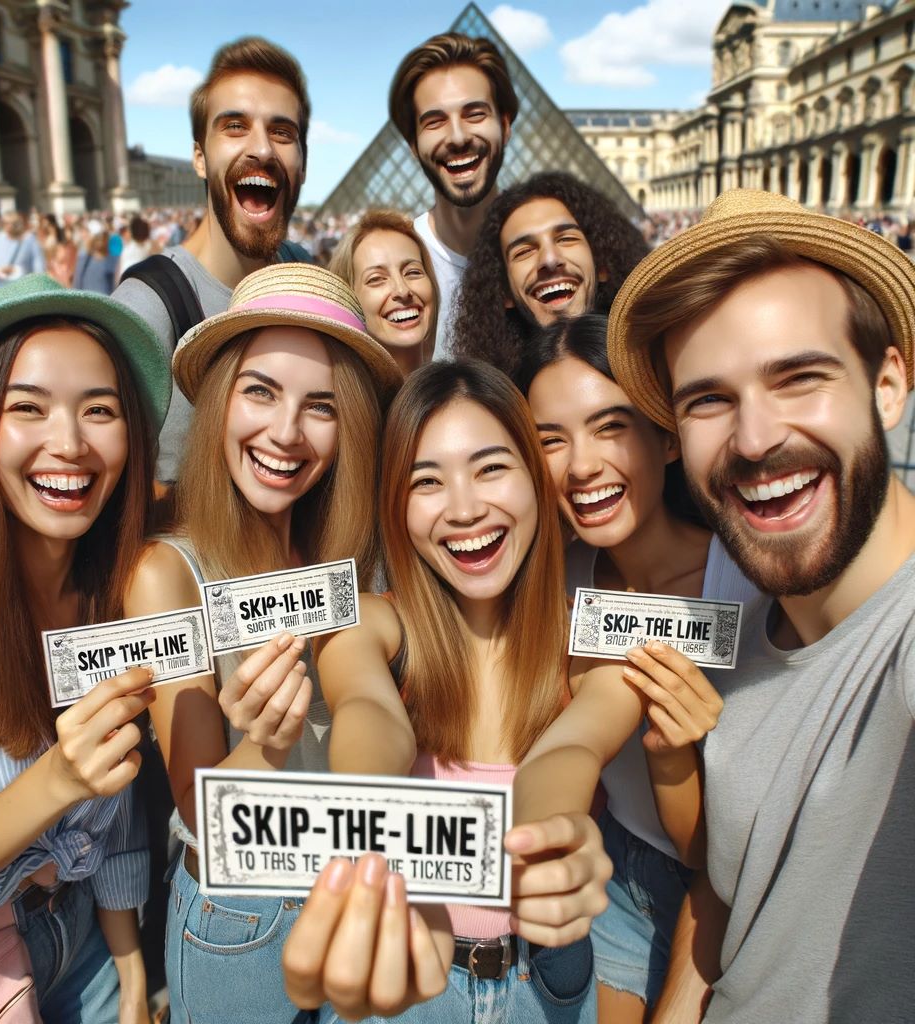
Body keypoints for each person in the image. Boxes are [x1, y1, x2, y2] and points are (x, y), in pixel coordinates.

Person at [283, 360, 717, 1023]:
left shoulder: (600, 639)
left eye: (491, 468)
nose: (464, 508)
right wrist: (380, 846)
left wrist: (546, 847)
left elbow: (567, 754)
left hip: (552, 979)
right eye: (427, 481)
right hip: (414, 981)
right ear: (395, 506)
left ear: (536, 484)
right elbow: (370, 716)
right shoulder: (368, 625)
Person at [606, 188, 915, 1024]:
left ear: (888, 386)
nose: (753, 438)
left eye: (799, 377)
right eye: (708, 398)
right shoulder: (739, 636)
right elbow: (724, 897)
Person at [123, 263, 402, 1024]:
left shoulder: (354, 556)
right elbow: (202, 807)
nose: (285, 432)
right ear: (217, 404)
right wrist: (269, 742)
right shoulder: (164, 573)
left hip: (354, 899)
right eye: (260, 391)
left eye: (321, 406)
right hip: (238, 920)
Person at [0, 272, 172, 1022]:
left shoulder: (107, 595)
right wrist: (60, 776)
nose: (70, 444)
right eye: (28, 409)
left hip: (83, 938)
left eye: (100, 410)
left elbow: (113, 823)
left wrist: (130, 966)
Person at [519, 315, 758, 1023]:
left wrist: (673, 756)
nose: (581, 464)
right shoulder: (558, 578)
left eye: (610, 426)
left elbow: (712, 851)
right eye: (549, 440)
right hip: (613, 879)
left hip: (727, 894)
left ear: (666, 436)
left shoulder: (747, 584)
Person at [112, 37, 314, 486]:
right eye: (235, 126)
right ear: (200, 158)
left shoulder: (309, 275)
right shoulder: (146, 309)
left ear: (303, 164)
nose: (262, 149)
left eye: (283, 132)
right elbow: (120, 502)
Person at [388, 33, 516, 358]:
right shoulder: (390, 275)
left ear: (505, 125)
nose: (457, 137)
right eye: (435, 121)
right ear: (414, 147)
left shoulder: (549, 260)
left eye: (475, 114)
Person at [452, 172, 649, 379]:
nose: (549, 259)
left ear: (602, 265)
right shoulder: (496, 406)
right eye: (524, 251)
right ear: (504, 293)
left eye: (566, 239)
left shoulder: (660, 367)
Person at [328, 209, 438, 375]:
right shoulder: (339, 399)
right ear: (347, 299)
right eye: (376, 279)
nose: (402, 290)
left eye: (413, 272)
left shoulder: (462, 392)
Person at [0, 212, 45, 291]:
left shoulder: (30, 240)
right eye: (7, 223)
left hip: (22, 289)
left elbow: (39, 268)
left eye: (14, 223)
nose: (10, 226)